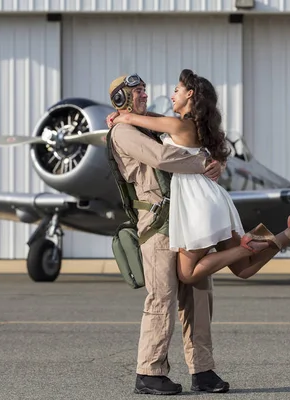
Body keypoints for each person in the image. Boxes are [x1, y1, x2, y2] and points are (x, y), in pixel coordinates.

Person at [107, 69, 290, 286]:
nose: (172, 96)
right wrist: (125, 116)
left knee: (187, 274)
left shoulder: (177, 125)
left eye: (177, 90)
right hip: (214, 198)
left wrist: (120, 116)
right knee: (244, 268)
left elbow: (139, 120)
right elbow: (150, 118)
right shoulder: (194, 125)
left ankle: (252, 243)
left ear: (190, 94)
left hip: (197, 202)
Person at [106, 73, 232, 395]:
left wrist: (215, 162)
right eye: (136, 91)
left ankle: (203, 371)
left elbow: (188, 144)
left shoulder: (152, 125)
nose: (144, 94)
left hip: (186, 218)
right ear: (120, 99)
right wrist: (202, 160)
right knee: (162, 296)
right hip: (158, 223)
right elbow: (162, 158)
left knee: (199, 295)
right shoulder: (123, 131)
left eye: (145, 89)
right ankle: (149, 371)